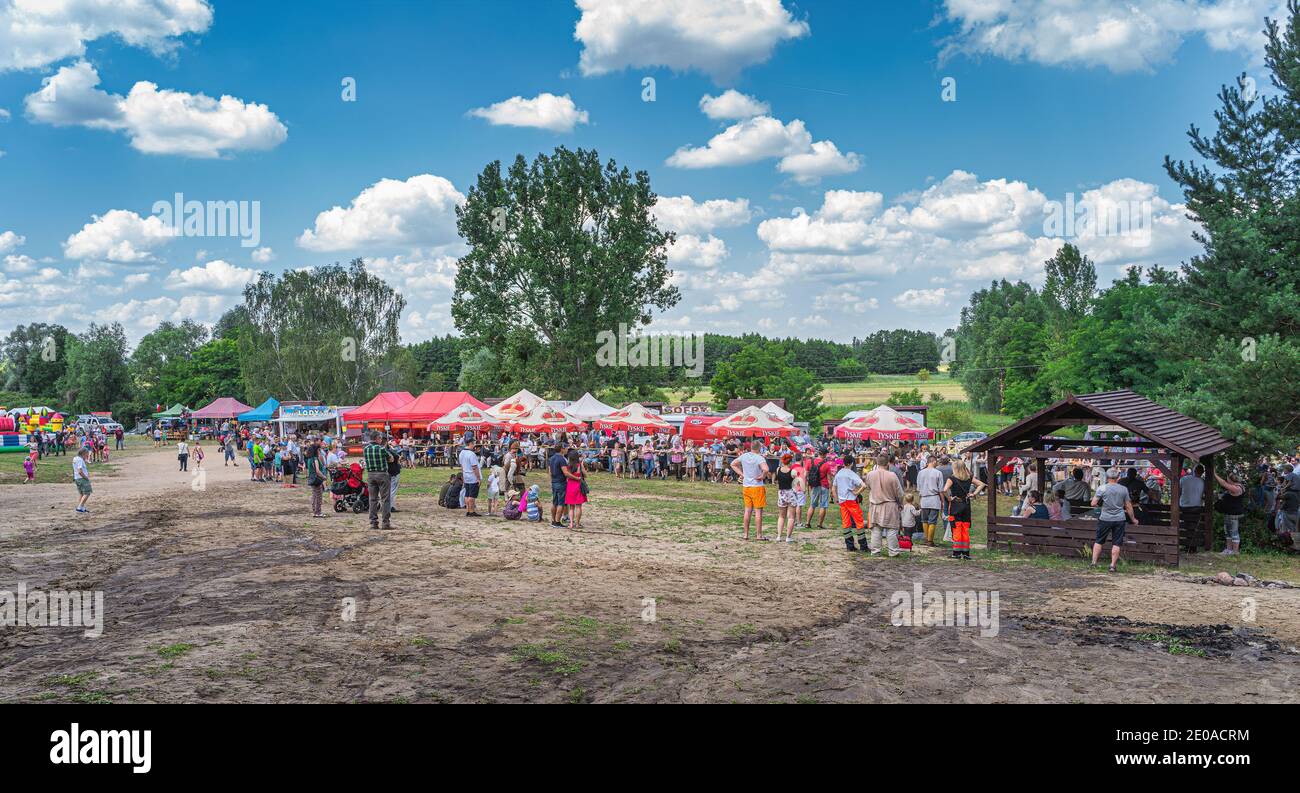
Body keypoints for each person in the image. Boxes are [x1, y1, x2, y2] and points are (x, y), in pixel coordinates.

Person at [1091, 468, 1137, 572]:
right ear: (1118, 477)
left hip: (1105, 518)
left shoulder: (1102, 488)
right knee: (1116, 542)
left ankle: (1094, 563)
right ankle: (1112, 565)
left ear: (1107, 477)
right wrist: (1133, 519)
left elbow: (1093, 503)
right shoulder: (1123, 489)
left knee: (1099, 540)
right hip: (1119, 518)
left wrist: (1102, 502)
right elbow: (1128, 506)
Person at [865, 453, 906, 556]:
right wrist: (900, 503)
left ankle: (875, 550)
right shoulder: (892, 475)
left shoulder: (870, 474)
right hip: (890, 505)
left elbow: (868, 487)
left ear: (877, 462)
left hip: (875, 504)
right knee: (891, 529)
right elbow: (900, 493)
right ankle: (893, 551)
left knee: (876, 529)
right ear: (888, 463)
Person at [943, 459, 983, 559]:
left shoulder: (952, 478)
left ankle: (956, 553)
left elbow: (944, 490)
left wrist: (949, 498)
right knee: (965, 529)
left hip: (956, 505)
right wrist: (973, 494)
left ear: (955, 468)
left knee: (956, 528)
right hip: (966, 504)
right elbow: (981, 484)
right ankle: (966, 553)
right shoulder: (969, 477)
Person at [731, 442, 770, 540]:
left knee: (747, 510)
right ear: (759, 448)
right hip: (757, 487)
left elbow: (733, 464)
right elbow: (766, 469)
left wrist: (742, 474)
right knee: (758, 512)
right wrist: (762, 476)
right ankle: (758, 535)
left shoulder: (744, 456)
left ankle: (746, 534)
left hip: (746, 486)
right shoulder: (759, 458)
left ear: (751, 447)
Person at [833, 456, 866, 551]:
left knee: (846, 523)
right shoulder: (851, 474)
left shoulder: (839, 473)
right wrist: (857, 492)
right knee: (859, 522)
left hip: (842, 501)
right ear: (851, 463)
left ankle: (849, 546)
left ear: (844, 463)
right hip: (851, 501)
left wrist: (836, 499)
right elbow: (864, 485)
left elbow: (833, 488)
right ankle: (863, 546)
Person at [363, 431, 396, 530]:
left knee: (372, 499)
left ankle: (373, 522)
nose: (381, 440)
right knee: (385, 499)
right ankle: (385, 523)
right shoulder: (381, 448)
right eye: (380, 438)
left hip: (371, 475)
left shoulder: (366, 449)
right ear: (377, 438)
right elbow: (391, 459)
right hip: (382, 474)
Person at [1214, 471, 1247, 555]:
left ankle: (1235, 551)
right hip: (1229, 512)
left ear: (1231, 479)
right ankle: (1228, 550)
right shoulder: (1236, 487)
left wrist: (1214, 474)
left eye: (1228, 478)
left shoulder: (1237, 488)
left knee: (1234, 532)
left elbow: (1223, 483)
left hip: (1234, 514)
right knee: (1228, 532)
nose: (1226, 480)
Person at [916, 456, 944, 546]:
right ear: (934, 461)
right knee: (932, 521)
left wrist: (919, 499)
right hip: (934, 498)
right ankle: (930, 540)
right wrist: (942, 501)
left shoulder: (920, 473)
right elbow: (941, 489)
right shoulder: (938, 473)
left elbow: (918, 488)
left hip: (924, 498)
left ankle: (926, 538)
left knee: (924, 520)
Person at [1179, 463, 1207, 551]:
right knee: (1194, 527)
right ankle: (1193, 547)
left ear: (1194, 470)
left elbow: (1179, 491)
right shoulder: (1203, 482)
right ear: (1202, 472)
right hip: (1196, 507)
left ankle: (1188, 546)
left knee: (1187, 526)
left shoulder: (1184, 479)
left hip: (1184, 506)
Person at [775, 454, 798, 543]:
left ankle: (779, 536)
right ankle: (788, 537)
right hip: (790, 493)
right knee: (791, 517)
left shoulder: (778, 470)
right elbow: (796, 483)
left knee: (781, 516)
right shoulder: (793, 471)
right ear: (790, 462)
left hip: (781, 493)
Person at [563, 450, 587, 529]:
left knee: (571, 507)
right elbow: (585, 475)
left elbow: (567, 476)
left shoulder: (568, 466)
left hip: (570, 486)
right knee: (578, 506)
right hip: (578, 486)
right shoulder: (579, 465)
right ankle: (577, 523)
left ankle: (571, 523)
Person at [458, 441, 483, 517]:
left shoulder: (462, 452)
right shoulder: (471, 454)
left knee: (467, 494)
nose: (474, 445)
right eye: (473, 443)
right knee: (472, 495)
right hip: (472, 477)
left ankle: (468, 510)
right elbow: (474, 467)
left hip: (466, 475)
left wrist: (463, 475)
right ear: (470, 444)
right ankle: (471, 511)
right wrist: (478, 478)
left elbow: (461, 465)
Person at [547, 443, 570, 527]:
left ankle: (553, 520)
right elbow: (565, 472)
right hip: (561, 482)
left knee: (554, 502)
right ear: (562, 449)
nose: (567, 449)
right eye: (566, 448)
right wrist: (575, 477)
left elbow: (550, 472)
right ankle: (557, 522)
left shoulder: (552, 458)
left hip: (554, 482)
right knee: (561, 503)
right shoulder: (562, 459)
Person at [304, 440, 327, 518]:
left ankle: (314, 511)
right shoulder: (315, 459)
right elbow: (317, 470)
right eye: (318, 450)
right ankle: (318, 512)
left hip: (312, 478)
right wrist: (324, 477)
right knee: (318, 495)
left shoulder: (310, 459)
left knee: (314, 495)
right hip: (316, 479)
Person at [73, 448, 92, 513]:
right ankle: (79, 507)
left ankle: (81, 507)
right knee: (87, 493)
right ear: (83, 453)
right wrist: (86, 477)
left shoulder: (75, 458)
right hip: (82, 479)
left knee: (81, 493)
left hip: (77, 478)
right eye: (87, 454)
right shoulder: (80, 460)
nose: (87, 455)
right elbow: (80, 471)